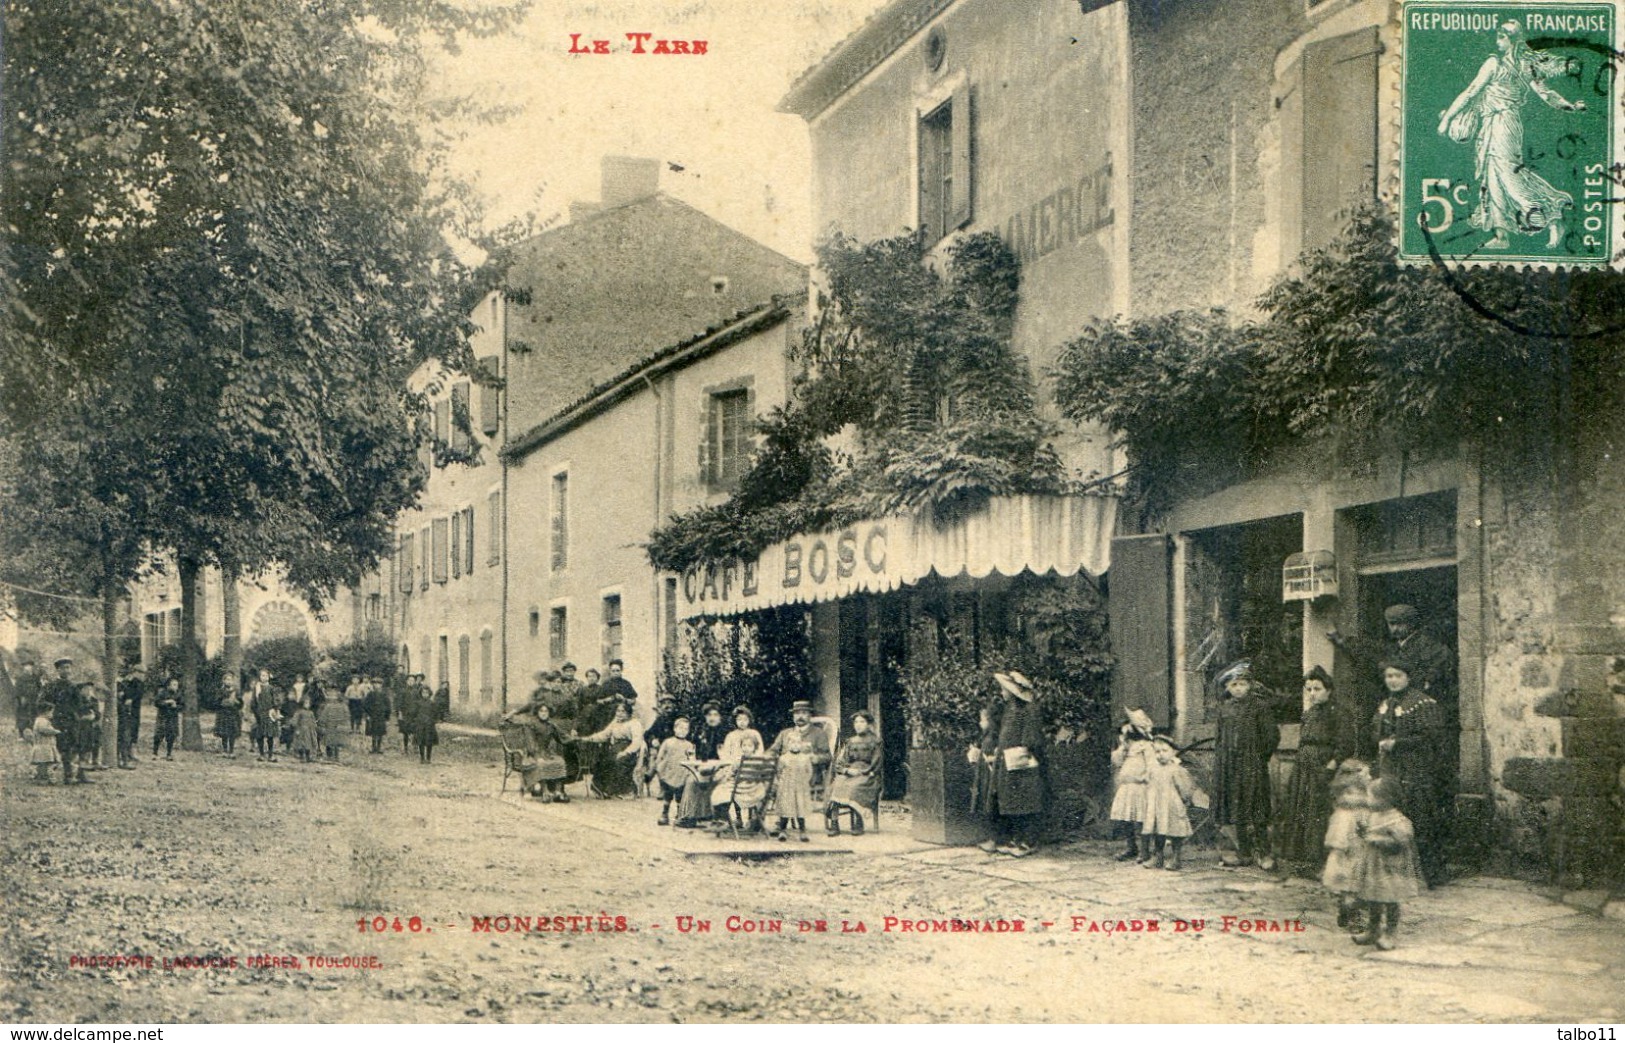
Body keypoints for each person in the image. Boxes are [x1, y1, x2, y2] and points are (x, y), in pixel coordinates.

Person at [1437, 19, 1586, 251]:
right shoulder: (1519, 65)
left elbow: (1470, 93)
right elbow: (1547, 95)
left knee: (1509, 174)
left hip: (1503, 124)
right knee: (1493, 176)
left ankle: (1552, 215)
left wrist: (1447, 120)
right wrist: (1571, 106)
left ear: (1510, 39)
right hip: (1495, 123)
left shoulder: (1497, 64)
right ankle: (1502, 235)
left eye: (1501, 36)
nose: (1497, 40)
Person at [1329, 604, 1455, 758]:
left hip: (1418, 706)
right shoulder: (1395, 647)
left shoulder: (1428, 645)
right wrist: (1342, 641)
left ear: (1411, 624)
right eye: (1391, 624)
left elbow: (1441, 665)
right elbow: (1370, 652)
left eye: (1399, 624)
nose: (1395, 629)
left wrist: (1426, 682)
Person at [1373, 656, 1451, 887]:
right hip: (1392, 770)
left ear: (1408, 677)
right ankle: (1399, 872)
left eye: (1398, 676)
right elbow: (1375, 730)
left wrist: (1399, 743)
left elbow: (1431, 737)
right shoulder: (1386, 704)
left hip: (1417, 770)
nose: (1393, 681)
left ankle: (1429, 874)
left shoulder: (1422, 703)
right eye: (1389, 676)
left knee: (1420, 820)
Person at [1275, 666, 1346, 875]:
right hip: (1303, 767)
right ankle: (1303, 860)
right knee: (1301, 810)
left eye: (1317, 689)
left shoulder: (1338, 713)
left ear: (1329, 690)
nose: (1313, 693)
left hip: (1322, 767)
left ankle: (1319, 861)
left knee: (1318, 811)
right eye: (1309, 689)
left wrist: (1331, 766)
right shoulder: (1309, 714)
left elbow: (1344, 744)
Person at [1213, 660, 1279, 869]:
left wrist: (1259, 757)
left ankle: (1264, 852)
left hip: (1252, 764)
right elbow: (1219, 738)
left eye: (1242, 684)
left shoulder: (1260, 707)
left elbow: (1271, 736)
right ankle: (1243, 851)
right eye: (1233, 685)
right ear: (1227, 688)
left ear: (1250, 685)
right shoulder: (1225, 709)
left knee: (1257, 806)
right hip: (1230, 765)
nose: (1238, 688)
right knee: (1236, 806)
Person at [1353, 777, 1425, 950]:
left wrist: (1377, 839)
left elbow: (1401, 841)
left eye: (1372, 797)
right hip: (1373, 866)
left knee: (1390, 899)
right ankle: (1373, 929)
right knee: (1373, 898)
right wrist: (1362, 831)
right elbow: (1367, 835)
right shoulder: (1373, 816)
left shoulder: (1397, 819)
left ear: (1386, 799)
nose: (1368, 800)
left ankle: (1390, 932)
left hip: (1390, 867)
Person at [985, 671, 1045, 858]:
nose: (1002, 692)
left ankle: (1028, 841)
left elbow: (1032, 738)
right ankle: (1015, 838)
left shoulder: (1029, 709)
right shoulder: (1010, 708)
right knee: (1010, 800)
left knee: (1025, 801)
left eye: (1005, 689)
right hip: (1008, 761)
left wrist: (1023, 749)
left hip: (1021, 762)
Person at [768, 700, 832, 842]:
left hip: (808, 775)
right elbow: (772, 751)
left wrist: (814, 758)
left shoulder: (818, 733)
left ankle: (783, 824)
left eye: (804, 713)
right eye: (797, 713)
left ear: (810, 715)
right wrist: (774, 759)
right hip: (785, 773)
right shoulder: (785, 734)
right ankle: (760, 820)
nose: (800, 716)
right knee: (766, 782)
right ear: (793, 716)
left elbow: (827, 756)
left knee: (786, 789)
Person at [1140, 729, 1205, 871]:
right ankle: (1158, 856)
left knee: (1175, 830)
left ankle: (1176, 857)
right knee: (1158, 830)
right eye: (1157, 751)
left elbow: (1185, 788)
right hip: (1157, 804)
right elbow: (1148, 784)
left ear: (1173, 752)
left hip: (1172, 804)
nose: (1161, 754)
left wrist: (1184, 800)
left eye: (1164, 750)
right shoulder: (1153, 769)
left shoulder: (1177, 770)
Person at [1322, 758, 1373, 932]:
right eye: (1367, 774)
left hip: (1360, 846)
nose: (1370, 777)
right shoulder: (1350, 808)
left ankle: (1347, 910)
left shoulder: (1363, 798)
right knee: (1351, 879)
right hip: (1350, 845)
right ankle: (1352, 915)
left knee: (1355, 879)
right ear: (1355, 777)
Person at [1108, 708, 1155, 862]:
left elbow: (1151, 765)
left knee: (1140, 819)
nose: (1123, 734)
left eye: (1126, 731)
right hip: (1126, 787)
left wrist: (1147, 779)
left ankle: (1144, 850)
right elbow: (1117, 763)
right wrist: (1121, 748)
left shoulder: (1146, 746)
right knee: (1125, 818)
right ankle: (1131, 846)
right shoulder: (1126, 748)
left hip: (1139, 786)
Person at [825, 710, 882, 836]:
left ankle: (859, 822)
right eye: (856, 722)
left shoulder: (875, 741)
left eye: (862, 722)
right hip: (850, 773)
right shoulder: (850, 741)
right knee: (837, 785)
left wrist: (862, 772)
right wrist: (846, 770)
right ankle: (834, 824)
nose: (858, 725)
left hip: (868, 776)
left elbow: (876, 763)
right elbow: (841, 762)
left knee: (855, 788)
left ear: (869, 724)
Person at [504, 697, 570, 801]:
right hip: (532, 754)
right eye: (541, 711)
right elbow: (531, 743)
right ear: (537, 712)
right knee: (541, 763)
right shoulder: (531, 725)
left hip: (547, 753)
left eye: (546, 711)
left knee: (560, 761)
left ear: (549, 713)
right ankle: (545, 791)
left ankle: (558, 791)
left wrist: (576, 739)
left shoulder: (551, 725)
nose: (544, 713)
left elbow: (563, 737)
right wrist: (537, 756)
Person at [677, 702, 728, 828]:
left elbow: (726, 755)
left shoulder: (725, 733)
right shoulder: (701, 732)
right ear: (705, 717)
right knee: (692, 779)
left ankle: (712, 815)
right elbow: (694, 751)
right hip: (704, 767)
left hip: (722, 768)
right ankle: (690, 816)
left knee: (708, 779)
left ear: (720, 717)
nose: (712, 717)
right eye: (709, 714)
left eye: (715, 714)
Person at [583, 701, 644, 798]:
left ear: (628, 713)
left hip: (629, 751)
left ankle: (625, 791)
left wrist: (625, 752)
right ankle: (601, 789)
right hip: (615, 748)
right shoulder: (615, 722)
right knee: (602, 761)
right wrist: (589, 738)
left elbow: (637, 742)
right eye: (618, 711)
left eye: (622, 711)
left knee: (618, 762)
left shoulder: (635, 723)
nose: (619, 714)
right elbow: (604, 735)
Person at [969, 699, 1004, 852]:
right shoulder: (993, 736)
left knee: (989, 806)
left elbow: (989, 757)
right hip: (990, 776)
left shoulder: (989, 739)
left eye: (982, 719)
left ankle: (992, 840)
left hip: (988, 778)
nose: (980, 723)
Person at [653, 716, 696, 825]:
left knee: (680, 795)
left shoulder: (689, 745)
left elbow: (692, 759)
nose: (682, 731)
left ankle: (679, 814)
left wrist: (692, 763)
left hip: (682, 773)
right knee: (668, 794)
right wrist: (659, 767)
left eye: (686, 729)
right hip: (669, 772)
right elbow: (660, 756)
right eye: (680, 728)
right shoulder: (668, 742)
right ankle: (664, 814)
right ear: (675, 729)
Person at [44, 658, 82, 784]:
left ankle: (70, 775)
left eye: (68, 667)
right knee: (59, 747)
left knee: (72, 747)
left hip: (71, 721)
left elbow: (79, 704)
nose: (66, 670)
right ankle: (50, 775)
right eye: (63, 668)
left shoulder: (74, 686)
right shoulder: (51, 685)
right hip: (57, 720)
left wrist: (76, 715)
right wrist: (52, 710)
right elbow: (43, 701)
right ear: (58, 670)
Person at [115, 665, 145, 769]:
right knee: (124, 732)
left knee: (132, 730)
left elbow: (138, 694)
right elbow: (120, 693)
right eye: (140, 673)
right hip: (124, 710)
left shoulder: (139, 683)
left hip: (134, 709)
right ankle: (123, 756)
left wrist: (130, 698)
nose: (142, 675)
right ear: (134, 672)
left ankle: (129, 753)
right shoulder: (125, 681)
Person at [249, 669, 280, 761]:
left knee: (270, 735)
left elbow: (275, 700)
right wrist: (255, 712)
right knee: (260, 735)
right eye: (262, 675)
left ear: (269, 677)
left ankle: (270, 754)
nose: (264, 677)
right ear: (259, 677)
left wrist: (275, 709)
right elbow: (253, 702)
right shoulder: (257, 688)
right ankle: (261, 754)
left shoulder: (271, 688)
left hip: (269, 713)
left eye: (266, 675)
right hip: (260, 713)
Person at [418, 681, 450, 763]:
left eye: (426, 693)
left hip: (429, 725)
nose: (425, 694)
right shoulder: (418, 703)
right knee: (421, 742)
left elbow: (436, 713)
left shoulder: (432, 703)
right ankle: (422, 758)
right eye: (423, 693)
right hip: (420, 725)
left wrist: (434, 720)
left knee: (429, 742)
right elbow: (414, 713)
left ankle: (428, 758)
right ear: (421, 693)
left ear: (429, 694)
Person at [317, 682, 349, 761]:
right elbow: (323, 715)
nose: (333, 698)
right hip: (329, 725)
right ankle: (329, 756)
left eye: (335, 696)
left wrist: (343, 724)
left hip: (337, 726)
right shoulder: (327, 705)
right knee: (328, 741)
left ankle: (336, 756)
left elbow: (346, 715)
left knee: (336, 742)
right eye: (331, 696)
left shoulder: (343, 706)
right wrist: (321, 723)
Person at [27, 708, 60, 783]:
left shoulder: (41, 720)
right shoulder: (42, 721)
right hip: (44, 745)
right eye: (51, 712)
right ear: (46, 712)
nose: (52, 714)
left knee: (45, 763)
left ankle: (43, 777)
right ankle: (45, 778)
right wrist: (55, 731)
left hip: (45, 745)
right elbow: (43, 729)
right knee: (46, 762)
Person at [152, 678, 181, 760]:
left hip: (173, 717)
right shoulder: (162, 693)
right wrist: (166, 702)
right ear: (168, 686)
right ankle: (154, 753)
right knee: (159, 734)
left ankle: (169, 753)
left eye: (177, 685)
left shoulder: (178, 694)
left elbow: (182, 705)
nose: (176, 687)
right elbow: (156, 702)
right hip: (162, 716)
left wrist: (176, 706)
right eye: (174, 685)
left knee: (171, 735)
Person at [214, 675, 243, 756]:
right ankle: (224, 750)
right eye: (227, 680)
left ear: (233, 681)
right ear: (224, 681)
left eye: (230, 680)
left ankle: (231, 751)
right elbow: (216, 703)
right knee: (224, 733)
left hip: (233, 714)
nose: (228, 681)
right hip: (223, 714)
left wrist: (236, 701)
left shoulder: (236, 691)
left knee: (232, 733)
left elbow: (241, 704)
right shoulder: (220, 691)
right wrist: (223, 701)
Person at [364, 677, 392, 754]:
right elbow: (366, 705)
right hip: (372, 715)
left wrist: (387, 717)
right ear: (373, 685)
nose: (377, 685)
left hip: (381, 716)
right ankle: (373, 747)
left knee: (380, 732)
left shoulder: (384, 695)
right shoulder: (370, 694)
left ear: (381, 685)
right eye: (375, 684)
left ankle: (379, 747)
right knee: (373, 732)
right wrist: (367, 715)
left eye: (378, 684)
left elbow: (388, 706)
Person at [14, 660, 42, 739]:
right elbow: (18, 688)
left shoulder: (35, 677)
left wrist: (39, 696)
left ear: (32, 667)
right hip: (24, 699)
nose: (28, 668)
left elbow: (39, 687)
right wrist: (21, 697)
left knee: (34, 715)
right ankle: (21, 734)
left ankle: (33, 732)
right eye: (26, 666)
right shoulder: (21, 678)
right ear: (24, 668)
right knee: (22, 716)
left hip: (34, 699)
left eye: (30, 666)